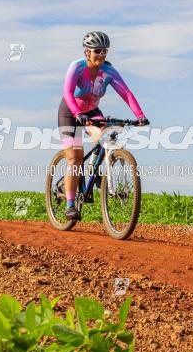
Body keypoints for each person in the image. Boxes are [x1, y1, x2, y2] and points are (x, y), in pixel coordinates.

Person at [58, 31, 149, 220]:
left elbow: (126, 93)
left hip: (91, 112)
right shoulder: (77, 67)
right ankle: (70, 205)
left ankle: (99, 171)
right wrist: (78, 114)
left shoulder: (108, 71)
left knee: (107, 140)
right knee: (75, 159)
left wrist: (139, 116)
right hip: (70, 111)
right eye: (97, 51)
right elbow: (67, 92)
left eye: (104, 51)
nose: (101, 55)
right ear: (87, 53)